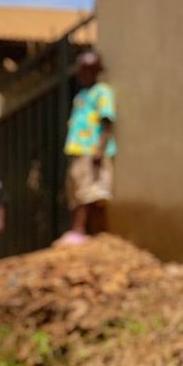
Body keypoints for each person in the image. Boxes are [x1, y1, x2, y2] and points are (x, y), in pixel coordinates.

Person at [57, 49, 116, 246]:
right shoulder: (81, 96)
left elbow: (107, 122)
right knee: (77, 192)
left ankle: (79, 231)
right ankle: (92, 233)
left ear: (96, 71)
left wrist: (99, 149)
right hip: (79, 151)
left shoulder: (102, 92)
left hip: (92, 151)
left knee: (90, 192)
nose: (82, 75)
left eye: (87, 71)